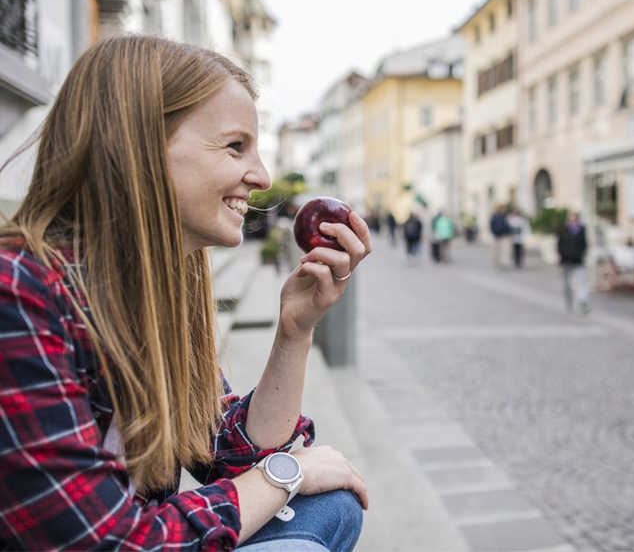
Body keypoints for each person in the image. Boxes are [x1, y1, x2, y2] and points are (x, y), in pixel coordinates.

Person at [0, 35, 370, 551]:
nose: (261, 176)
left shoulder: (159, 289)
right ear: (140, 144)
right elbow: (109, 541)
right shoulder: (19, 291)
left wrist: (295, 330)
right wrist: (286, 474)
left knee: (332, 507)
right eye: (235, 146)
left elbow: (225, 454)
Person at [557, 212, 589, 314]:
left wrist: (580, 254)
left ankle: (582, 302)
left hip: (578, 260)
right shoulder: (564, 229)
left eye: (574, 220)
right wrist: (564, 255)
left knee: (581, 282)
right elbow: (560, 244)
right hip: (566, 261)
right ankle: (569, 303)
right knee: (567, 284)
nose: (572, 222)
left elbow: (584, 244)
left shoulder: (581, 230)